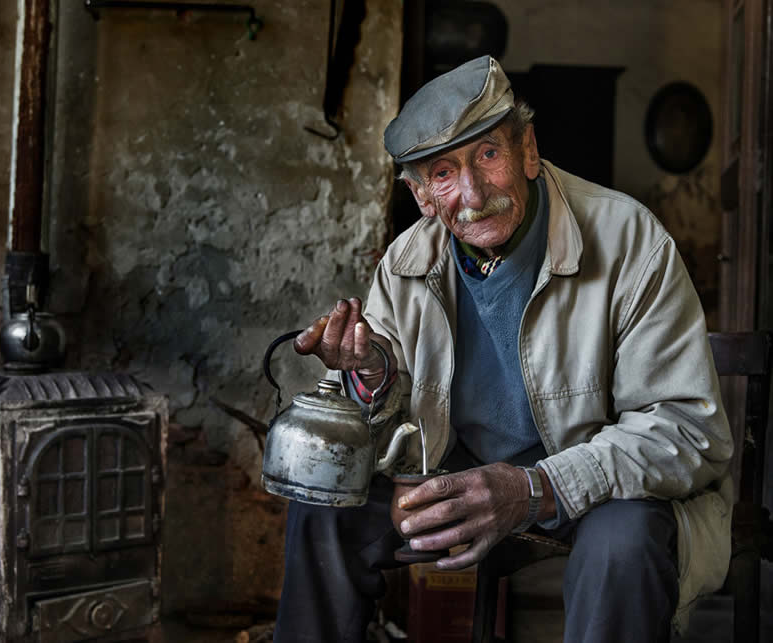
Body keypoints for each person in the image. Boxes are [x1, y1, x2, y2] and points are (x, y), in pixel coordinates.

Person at [272, 56, 733, 643]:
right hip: (461, 484)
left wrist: (536, 489)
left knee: (626, 540)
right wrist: (374, 376)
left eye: (488, 155)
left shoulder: (630, 241)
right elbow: (397, 421)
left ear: (528, 150)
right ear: (421, 197)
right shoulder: (406, 263)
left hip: (586, 493)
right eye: (442, 173)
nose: (472, 193)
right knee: (325, 502)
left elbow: (687, 429)